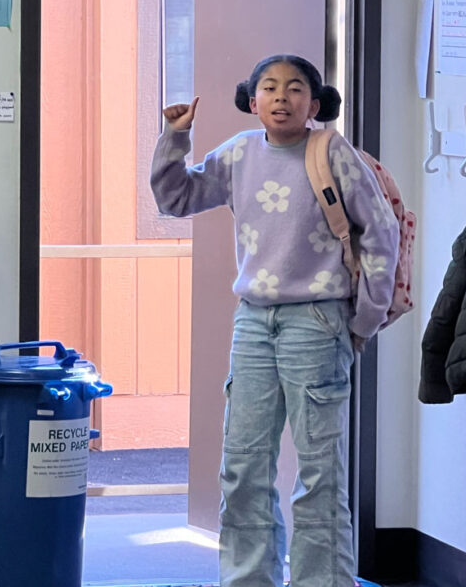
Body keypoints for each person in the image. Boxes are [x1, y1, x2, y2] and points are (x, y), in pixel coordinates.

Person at [151, 54, 399, 587]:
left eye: (295, 88)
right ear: (252, 100)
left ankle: (323, 582)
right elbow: (175, 199)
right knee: (243, 467)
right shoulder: (239, 153)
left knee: (320, 471)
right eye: (269, 87)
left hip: (318, 321)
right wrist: (175, 138)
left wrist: (366, 318)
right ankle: (249, 579)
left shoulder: (332, 151)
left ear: (315, 103)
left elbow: (381, 232)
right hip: (254, 323)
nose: (281, 97)